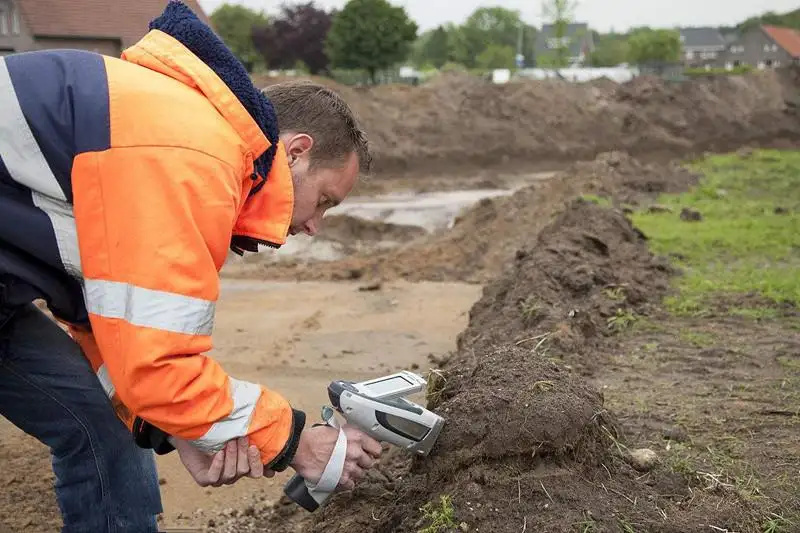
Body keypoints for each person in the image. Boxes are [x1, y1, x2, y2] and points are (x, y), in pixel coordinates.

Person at [0, 1, 381, 531]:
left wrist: (169, 426)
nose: (316, 224)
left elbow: (107, 326)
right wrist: (295, 439)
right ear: (295, 152)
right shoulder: (190, 153)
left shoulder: (179, 131)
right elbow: (160, 364)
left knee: (105, 430)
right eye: (326, 200)